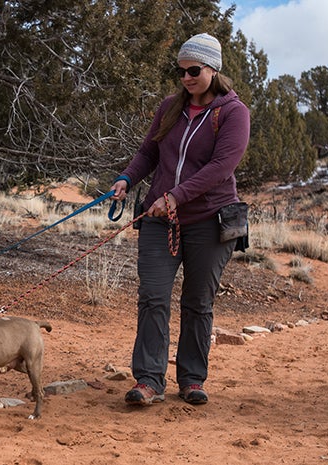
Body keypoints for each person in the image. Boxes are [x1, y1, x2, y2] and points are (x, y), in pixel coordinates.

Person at [109, 33, 250, 406]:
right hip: (159, 219)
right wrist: (126, 178)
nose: (186, 77)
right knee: (153, 295)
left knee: (197, 302)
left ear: (213, 69)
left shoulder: (234, 113)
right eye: (181, 71)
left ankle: (191, 379)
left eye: (194, 70)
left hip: (209, 219)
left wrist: (175, 196)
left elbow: (221, 168)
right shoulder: (170, 106)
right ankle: (148, 380)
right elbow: (148, 153)